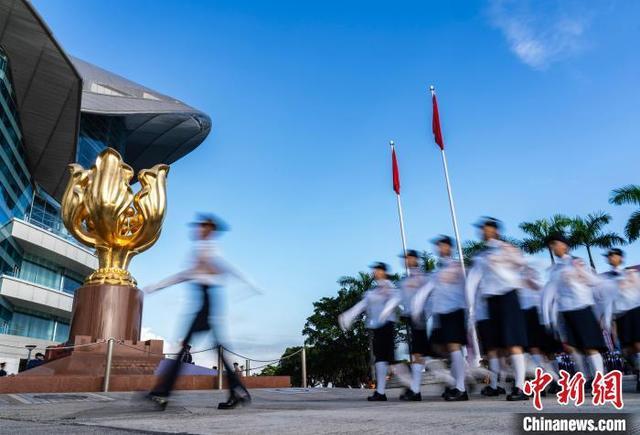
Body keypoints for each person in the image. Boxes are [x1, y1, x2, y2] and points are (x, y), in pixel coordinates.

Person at [144, 214, 256, 410]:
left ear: (210, 230)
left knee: (186, 349)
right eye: (200, 226)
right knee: (214, 349)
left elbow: (223, 267)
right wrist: (159, 286)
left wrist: (249, 283)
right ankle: (237, 391)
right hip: (206, 302)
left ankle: (162, 393)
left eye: (203, 226)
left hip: (207, 302)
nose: (199, 229)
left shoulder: (208, 249)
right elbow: (187, 274)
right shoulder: (202, 250)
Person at [466, 217, 529, 401]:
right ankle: (499, 384)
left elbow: (520, 264)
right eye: (482, 229)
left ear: (496, 231)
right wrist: (471, 309)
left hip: (508, 295)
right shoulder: (481, 255)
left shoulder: (507, 248)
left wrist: (505, 255)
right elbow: (472, 281)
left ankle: (520, 387)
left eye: (487, 229)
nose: (483, 232)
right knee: (496, 347)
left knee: (513, 343)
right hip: (491, 301)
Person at [541, 233, 606, 386]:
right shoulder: (554, 270)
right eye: (551, 245)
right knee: (572, 348)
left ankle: (600, 381)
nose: (553, 247)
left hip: (582, 307)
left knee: (590, 347)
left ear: (564, 245)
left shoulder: (577, 262)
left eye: (555, 244)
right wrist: (547, 319)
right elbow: (550, 293)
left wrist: (580, 272)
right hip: (565, 312)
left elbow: (595, 281)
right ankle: (584, 377)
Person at [413, 235, 469, 401]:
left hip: (455, 311)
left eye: (442, 246)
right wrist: (420, 311)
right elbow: (428, 292)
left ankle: (461, 388)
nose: (439, 249)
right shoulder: (437, 271)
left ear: (449, 248)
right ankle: (457, 380)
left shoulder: (457, 266)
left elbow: (467, 287)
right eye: (438, 246)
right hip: (441, 315)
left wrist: (470, 311)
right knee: (436, 350)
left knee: (453, 347)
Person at [338, 262, 402, 401]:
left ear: (384, 272)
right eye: (374, 270)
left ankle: (412, 388)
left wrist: (385, 312)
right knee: (380, 359)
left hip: (387, 325)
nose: (374, 272)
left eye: (377, 270)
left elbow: (396, 299)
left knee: (390, 361)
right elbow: (362, 305)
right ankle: (380, 392)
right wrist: (347, 316)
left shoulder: (389, 287)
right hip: (377, 327)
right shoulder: (373, 291)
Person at [601, 248, 640, 392]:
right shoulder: (606, 279)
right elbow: (606, 300)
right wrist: (606, 318)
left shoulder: (631, 273)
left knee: (637, 344)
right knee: (625, 350)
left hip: (634, 310)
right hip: (619, 316)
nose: (610, 257)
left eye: (613, 255)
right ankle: (637, 371)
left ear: (620, 258)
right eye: (609, 255)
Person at [397, 249, 430, 401]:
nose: (406, 261)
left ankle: (415, 390)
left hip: (420, 317)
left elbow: (430, 297)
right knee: (417, 353)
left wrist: (425, 314)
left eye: (409, 258)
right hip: (410, 318)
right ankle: (414, 388)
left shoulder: (423, 277)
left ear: (415, 259)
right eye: (405, 258)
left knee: (420, 353)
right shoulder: (405, 280)